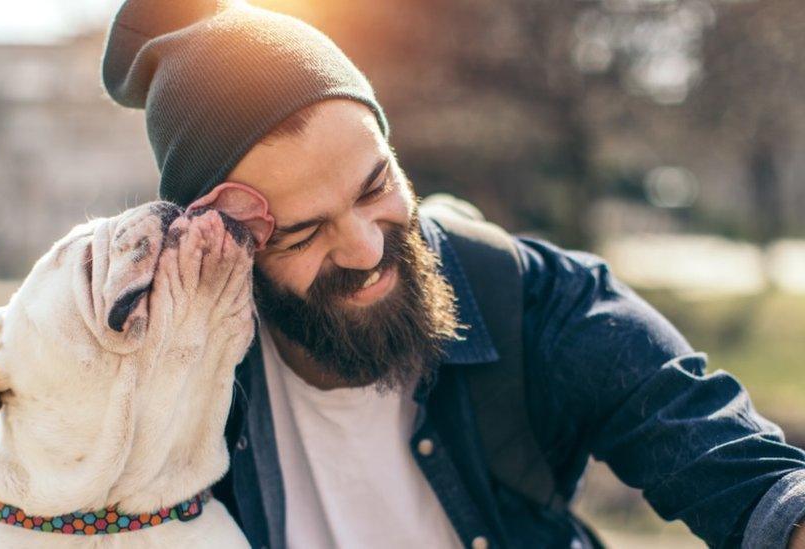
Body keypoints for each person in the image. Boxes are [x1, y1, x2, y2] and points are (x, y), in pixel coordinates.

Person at [101, 1, 805, 547]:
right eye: (305, 233)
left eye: (375, 186)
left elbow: (737, 469)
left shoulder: (529, 298)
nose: (368, 249)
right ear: (225, 246)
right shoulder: (177, 386)